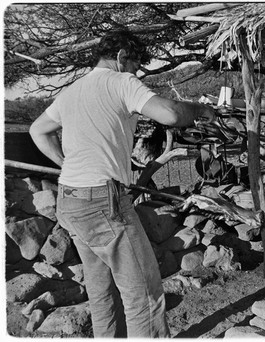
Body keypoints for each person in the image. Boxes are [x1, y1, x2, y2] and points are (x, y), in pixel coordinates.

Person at [29, 30, 216, 338]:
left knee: (102, 293)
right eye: (136, 65)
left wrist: (67, 165)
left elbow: (39, 131)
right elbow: (169, 114)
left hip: (71, 199)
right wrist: (199, 110)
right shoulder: (120, 81)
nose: (137, 73)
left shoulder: (73, 90)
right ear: (120, 57)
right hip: (103, 202)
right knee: (143, 294)